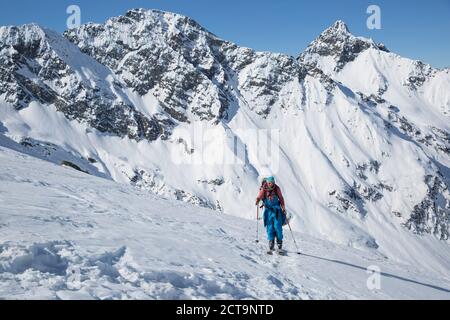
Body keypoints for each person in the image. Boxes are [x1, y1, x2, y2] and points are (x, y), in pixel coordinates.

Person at [255, 176, 286, 252]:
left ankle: (279, 242)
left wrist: (283, 207)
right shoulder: (264, 189)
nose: (270, 184)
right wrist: (257, 199)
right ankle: (271, 242)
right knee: (270, 227)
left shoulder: (277, 188)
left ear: (274, 182)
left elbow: (281, 198)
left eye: (272, 183)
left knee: (278, 226)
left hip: (277, 210)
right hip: (268, 211)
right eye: (269, 183)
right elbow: (260, 196)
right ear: (267, 182)